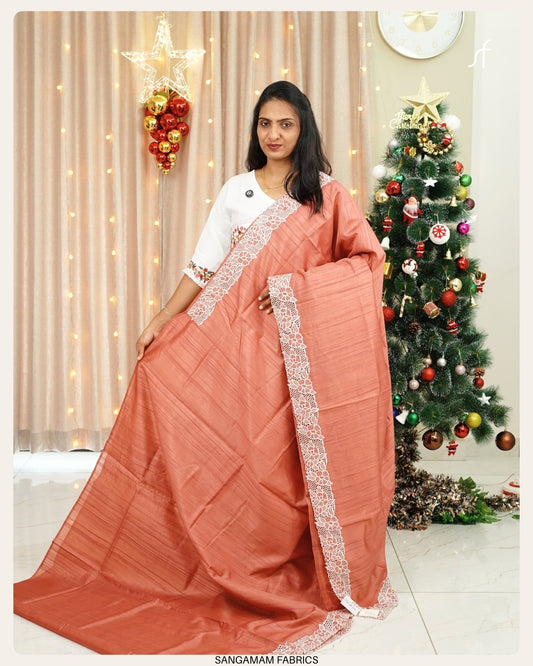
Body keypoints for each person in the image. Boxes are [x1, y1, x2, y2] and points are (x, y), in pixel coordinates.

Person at [14, 81, 397, 655]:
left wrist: (296, 288)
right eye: (265, 123)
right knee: (228, 445)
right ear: (255, 129)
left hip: (297, 363)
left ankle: (281, 557)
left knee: (280, 466)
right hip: (234, 346)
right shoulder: (236, 191)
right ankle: (221, 555)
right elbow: (203, 268)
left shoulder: (326, 197)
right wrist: (161, 319)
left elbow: (367, 262)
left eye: (285, 124)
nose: (274, 134)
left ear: (303, 130)